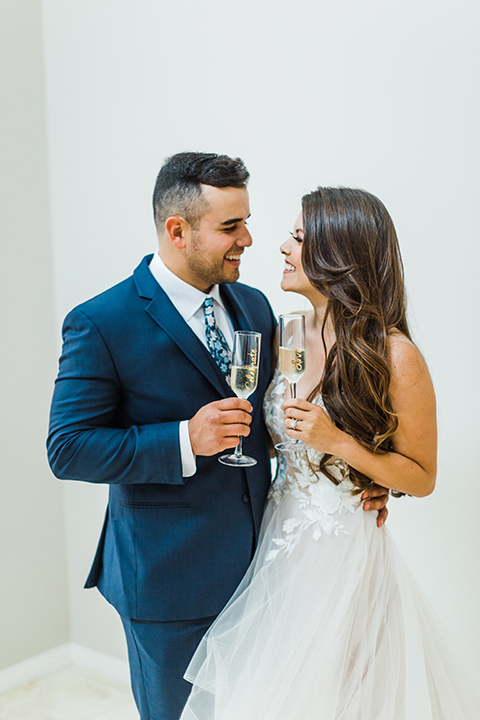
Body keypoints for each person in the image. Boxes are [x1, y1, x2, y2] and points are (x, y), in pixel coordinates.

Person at [47, 156, 389, 720]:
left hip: (266, 570)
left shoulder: (254, 305)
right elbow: (68, 448)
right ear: (178, 231)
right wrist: (184, 439)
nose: (249, 239)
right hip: (168, 584)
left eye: (247, 221)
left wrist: (359, 482)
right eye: (231, 227)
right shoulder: (102, 322)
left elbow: (288, 421)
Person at [180, 187, 480, 719]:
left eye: (298, 238)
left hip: (341, 552)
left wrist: (339, 444)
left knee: (336, 694)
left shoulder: (395, 355)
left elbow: (422, 475)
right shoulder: (286, 334)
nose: (281, 247)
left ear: (337, 256)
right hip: (274, 541)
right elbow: (282, 435)